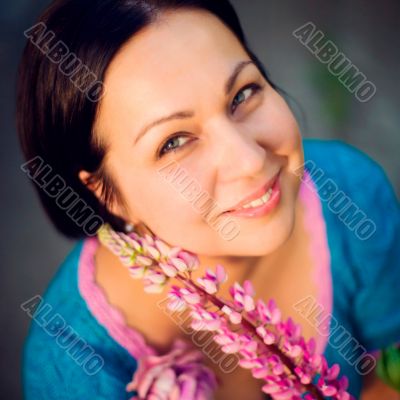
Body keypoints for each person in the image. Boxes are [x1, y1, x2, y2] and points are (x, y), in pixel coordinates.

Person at [17, 0, 400, 398]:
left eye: (243, 94)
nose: (250, 160)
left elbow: (387, 374)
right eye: (174, 142)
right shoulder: (74, 362)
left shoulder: (351, 194)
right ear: (105, 194)